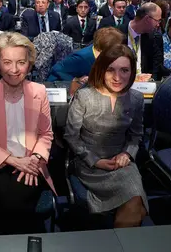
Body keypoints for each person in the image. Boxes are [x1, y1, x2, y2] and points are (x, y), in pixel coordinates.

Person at [0, 32, 56, 234]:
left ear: (29, 64)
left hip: (32, 163)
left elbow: (46, 134)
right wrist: (14, 161)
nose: (14, 69)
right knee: (11, 200)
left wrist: (35, 160)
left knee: (20, 197)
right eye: (7, 62)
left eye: (21, 62)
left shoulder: (39, 91)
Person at [64, 44, 147, 227]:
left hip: (121, 162)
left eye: (124, 70)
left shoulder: (136, 99)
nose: (118, 78)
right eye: (111, 70)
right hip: (89, 163)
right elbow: (71, 137)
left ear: (132, 72)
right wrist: (95, 160)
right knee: (136, 206)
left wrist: (127, 154)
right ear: (101, 69)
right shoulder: (84, 96)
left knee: (135, 201)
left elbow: (136, 135)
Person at [47, 27, 125, 94]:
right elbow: (56, 68)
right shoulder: (82, 58)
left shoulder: (100, 52)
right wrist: (75, 79)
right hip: (58, 88)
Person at [125, 3, 164, 80]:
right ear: (147, 19)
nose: (158, 25)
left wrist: (152, 80)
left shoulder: (152, 38)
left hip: (144, 85)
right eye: (157, 21)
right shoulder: (118, 33)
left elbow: (156, 62)